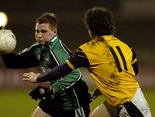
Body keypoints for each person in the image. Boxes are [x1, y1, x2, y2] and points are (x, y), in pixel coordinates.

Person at [23, 7, 152, 117]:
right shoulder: (125, 46)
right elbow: (134, 71)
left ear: (90, 28)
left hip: (130, 107)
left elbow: (62, 70)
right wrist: (106, 88)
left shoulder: (88, 50)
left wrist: (39, 77)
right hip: (132, 99)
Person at [1, 12, 90, 117]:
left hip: (74, 102)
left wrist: (49, 90)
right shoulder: (38, 49)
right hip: (56, 97)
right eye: (37, 31)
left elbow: (73, 76)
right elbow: (13, 62)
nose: (39, 35)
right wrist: (2, 45)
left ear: (54, 31)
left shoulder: (57, 50)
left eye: (43, 31)